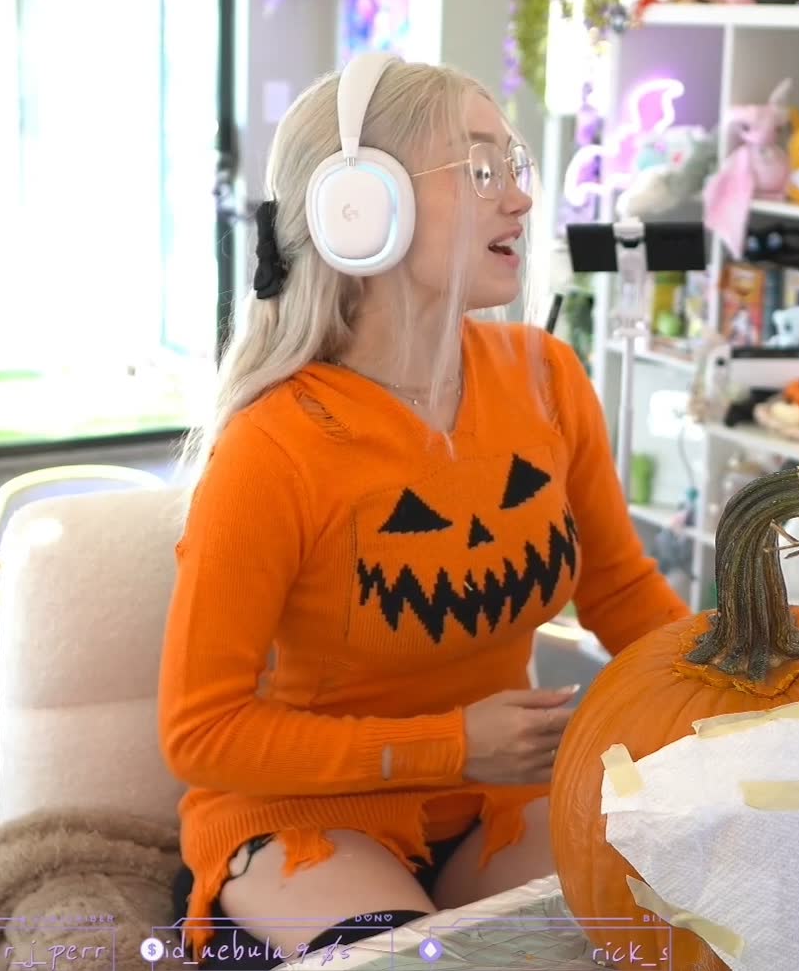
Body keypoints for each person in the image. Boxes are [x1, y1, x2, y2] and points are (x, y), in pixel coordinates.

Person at [159, 54, 692, 970]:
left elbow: (622, 592)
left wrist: (746, 689)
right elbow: (199, 731)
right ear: (360, 207)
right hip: (304, 817)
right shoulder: (271, 448)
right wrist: (451, 744)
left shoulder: (549, 378)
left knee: (666, 919)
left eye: (514, 166)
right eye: (480, 169)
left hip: (493, 800)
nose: (520, 199)